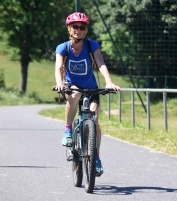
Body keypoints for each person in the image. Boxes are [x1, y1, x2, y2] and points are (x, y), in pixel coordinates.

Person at [54, 12, 120, 176]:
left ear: (85, 30)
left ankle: (96, 157)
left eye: (81, 27)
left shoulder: (91, 45)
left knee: (94, 119)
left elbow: (101, 63)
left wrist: (109, 81)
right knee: (75, 96)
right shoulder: (63, 47)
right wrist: (60, 83)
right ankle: (68, 129)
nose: (78, 30)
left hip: (91, 87)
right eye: (75, 27)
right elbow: (58, 67)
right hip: (72, 86)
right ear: (69, 28)